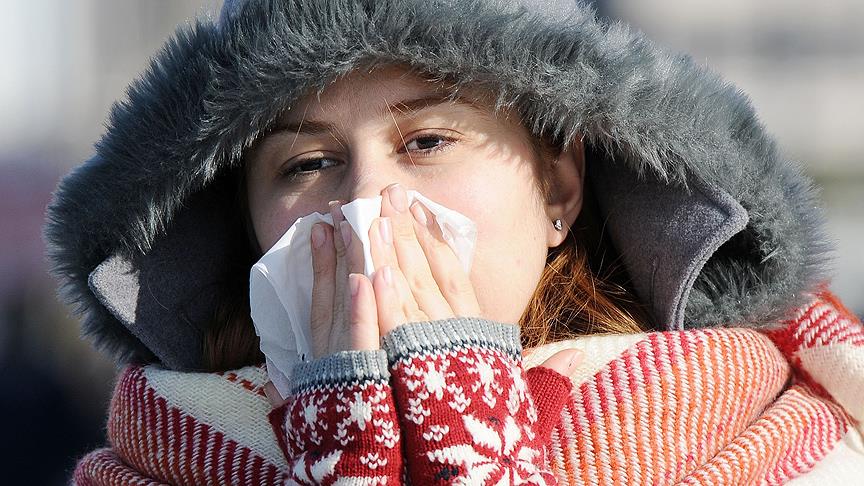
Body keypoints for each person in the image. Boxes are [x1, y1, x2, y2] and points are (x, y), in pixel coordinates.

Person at [44, 0, 864, 484]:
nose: (366, 200)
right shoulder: (160, 456)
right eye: (308, 162)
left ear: (559, 187)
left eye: (427, 142)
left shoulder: (786, 444)